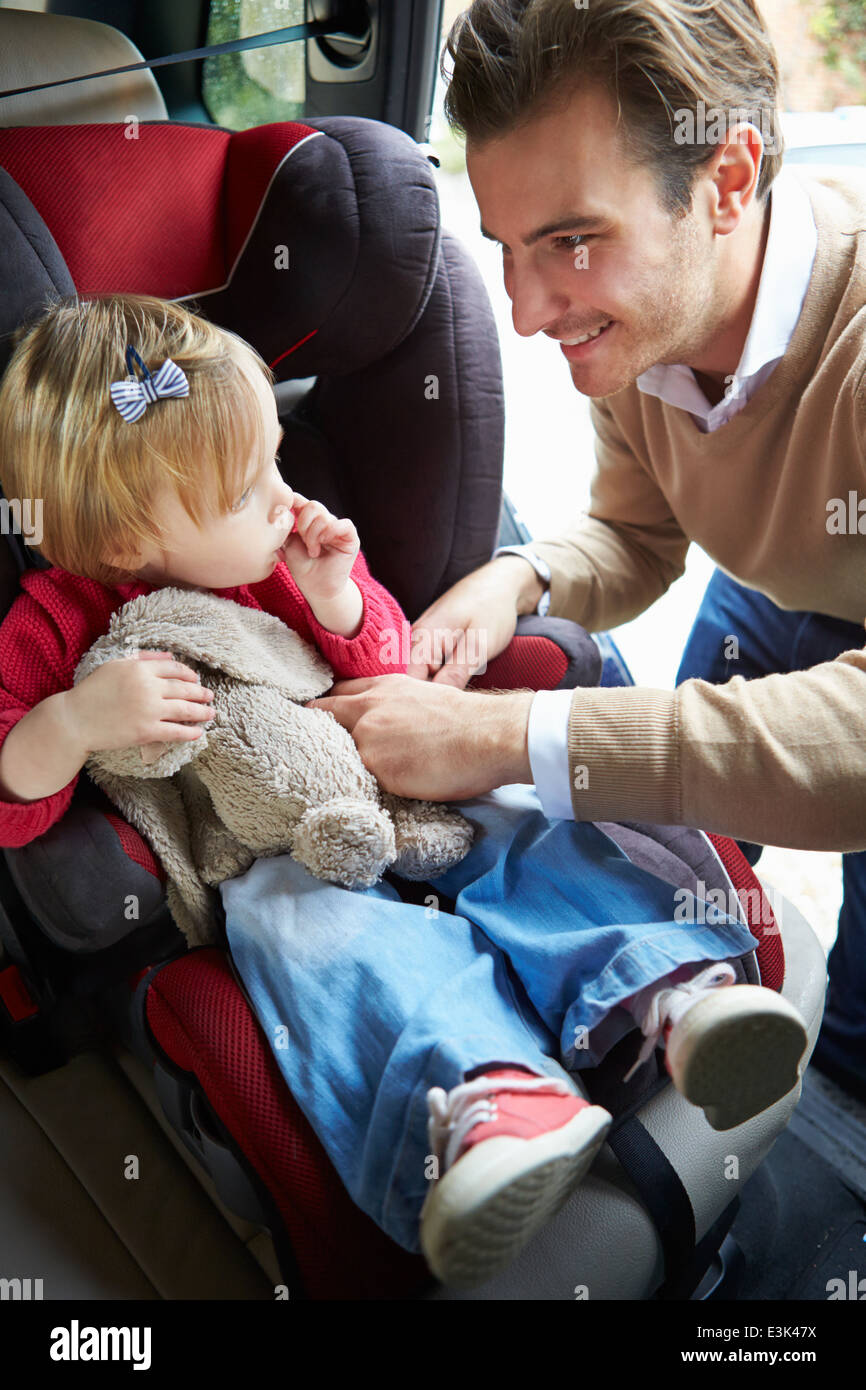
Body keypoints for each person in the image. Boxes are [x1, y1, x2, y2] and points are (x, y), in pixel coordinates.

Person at [0, 291, 807, 1291]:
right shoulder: (53, 625)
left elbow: (390, 665)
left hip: (393, 769)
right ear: (126, 546)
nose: (284, 498)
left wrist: (337, 593)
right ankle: (492, 1097)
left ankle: (670, 993)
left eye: (278, 464)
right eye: (250, 491)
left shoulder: (273, 558)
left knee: (520, 827)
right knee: (314, 940)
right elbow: (12, 800)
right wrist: (73, 723)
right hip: (268, 849)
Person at [308, 0, 866, 1105]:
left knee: (850, 1028)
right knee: (684, 869)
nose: (522, 313)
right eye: (505, 250)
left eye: (569, 242)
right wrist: (520, 577)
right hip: (776, 596)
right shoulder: (648, 327)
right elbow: (639, 529)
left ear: (724, 178)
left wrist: (503, 736)